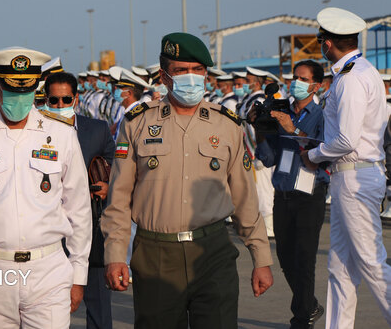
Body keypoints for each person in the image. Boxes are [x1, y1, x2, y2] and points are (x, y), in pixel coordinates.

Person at [102, 32, 273, 329]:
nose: (191, 78)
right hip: (155, 256)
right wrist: (116, 254)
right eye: (181, 71)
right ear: (164, 76)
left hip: (213, 253)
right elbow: (118, 197)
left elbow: (245, 198)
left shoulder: (227, 124)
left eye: (198, 70)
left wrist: (261, 257)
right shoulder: (138, 123)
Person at [0, 47, 91, 329]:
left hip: (48, 268)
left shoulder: (62, 133)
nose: (19, 100)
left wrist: (79, 275)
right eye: (12, 91)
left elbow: (77, 207)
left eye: (27, 91)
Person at [301, 7, 391, 328]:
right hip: (351, 176)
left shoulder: (351, 78)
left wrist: (313, 156)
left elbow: (347, 140)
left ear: (327, 44)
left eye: (321, 41)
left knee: (371, 262)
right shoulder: (361, 71)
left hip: (354, 175)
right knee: (339, 266)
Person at [253, 60, 328, 329]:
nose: (294, 82)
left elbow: (321, 153)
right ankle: (310, 305)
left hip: (310, 194)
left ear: (316, 85)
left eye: (302, 78)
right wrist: (260, 129)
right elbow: (269, 157)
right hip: (283, 193)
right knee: (285, 257)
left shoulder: (322, 116)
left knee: (305, 259)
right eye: (293, 77)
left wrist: (292, 129)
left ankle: (302, 319)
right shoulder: (282, 111)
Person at [44, 71, 116, 329]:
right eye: (53, 101)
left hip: (90, 229)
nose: (60, 106)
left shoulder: (96, 130)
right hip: (48, 232)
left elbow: (116, 167)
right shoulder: (35, 132)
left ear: (75, 99)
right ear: (45, 100)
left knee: (98, 306)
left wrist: (108, 185)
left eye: (65, 100)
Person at [242, 66, 276, 238]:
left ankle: (269, 224)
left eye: (247, 81)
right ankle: (262, 222)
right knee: (257, 189)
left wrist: (262, 152)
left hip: (260, 150)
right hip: (252, 149)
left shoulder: (260, 101)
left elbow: (264, 128)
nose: (243, 84)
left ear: (256, 83)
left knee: (264, 190)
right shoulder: (250, 99)